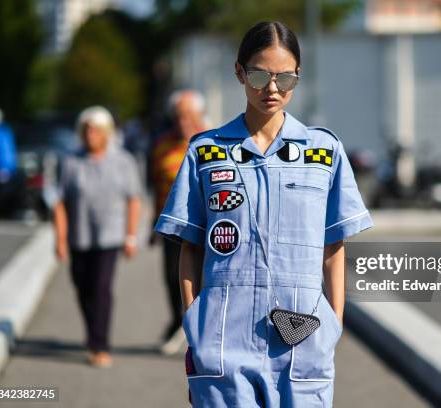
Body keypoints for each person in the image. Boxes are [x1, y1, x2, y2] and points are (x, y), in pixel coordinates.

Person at [154, 21, 373, 407]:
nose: (272, 89)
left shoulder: (324, 152)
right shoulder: (206, 151)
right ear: (239, 72)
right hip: (222, 338)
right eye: (259, 75)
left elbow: (333, 247)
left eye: (285, 78)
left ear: (297, 77)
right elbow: (190, 247)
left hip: (304, 338)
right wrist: (195, 323)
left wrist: (333, 326)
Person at [52, 106, 142, 368]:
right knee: (83, 289)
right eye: (86, 130)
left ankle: (99, 344)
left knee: (101, 289)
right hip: (79, 236)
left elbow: (134, 199)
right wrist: (59, 240)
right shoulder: (70, 161)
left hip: (109, 236)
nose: (90, 135)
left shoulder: (123, 161)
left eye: (96, 130)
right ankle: (93, 332)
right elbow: (58, 201)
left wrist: (130, 236)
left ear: (107, 133)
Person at [150, 90, 207, 354]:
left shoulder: (214, 141)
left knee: (204, 279)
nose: (183, 122)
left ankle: (202, 329)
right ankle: (178, 322)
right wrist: (154, 220)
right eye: (179, 116)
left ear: (199, 116)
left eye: (188, 116)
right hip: (173, 225)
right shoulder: (162, 145)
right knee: (172, 278)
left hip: (207, 227)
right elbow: (155, 186)